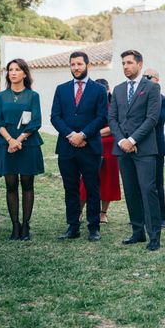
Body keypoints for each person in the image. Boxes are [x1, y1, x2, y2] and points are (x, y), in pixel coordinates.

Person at [108, 50, 162, 251]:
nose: (125, 66)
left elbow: (152, 118)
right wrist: (122, 140)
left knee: (148, 190)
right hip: (122, 149)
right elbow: (112, 118)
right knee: (130, 191)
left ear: (139, 64)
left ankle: (154, 235)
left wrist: (132, 139)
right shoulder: (119, 89)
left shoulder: (151, 88)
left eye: (129, 63)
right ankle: (137, 231)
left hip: (144, 148)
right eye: (123, 63)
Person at [51, 51, 107, 242]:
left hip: (90, 146)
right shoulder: (61, 89)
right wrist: (70, 135)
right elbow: (55, 117)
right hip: (67, 147)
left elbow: (102, 117)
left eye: (79, 64)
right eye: (73, 64)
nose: (75, 68)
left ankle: (94, 227)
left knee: (92, 187)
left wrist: (82, 135)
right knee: (70, 188)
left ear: (87, 65)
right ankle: (73, 226)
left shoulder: (99, 90)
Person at [0, 58, 44, 241]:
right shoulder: (1, 96)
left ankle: (26, 225)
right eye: (10, 70)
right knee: (11, 185)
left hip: (27, 144)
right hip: (7, 146)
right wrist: (10, 140)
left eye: (17, 69)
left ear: (24, 73)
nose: (13, 72)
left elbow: (36, 121)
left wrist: (20, 139)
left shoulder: (33, 96)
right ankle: (15, 225)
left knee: (28, 185)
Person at [79, 79, 121, 224]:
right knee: (87, 180)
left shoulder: (113, 107)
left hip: (109, 147)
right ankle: (79, 211)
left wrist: (92, 133)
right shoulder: (89, 106)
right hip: (91, 146)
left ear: (108, 90)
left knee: (108, 180)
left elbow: (113, 127)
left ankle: (103, 213)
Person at [143, 68, 165, 228]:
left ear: (157, 80)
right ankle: (141, 215)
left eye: (149, 77)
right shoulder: (138, 99)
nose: (146, 80)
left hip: (156, 146)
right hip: (139, 144)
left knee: (157, 184)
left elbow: (158, 120)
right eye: (143, 77)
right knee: (141, 183)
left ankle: (161, 217)